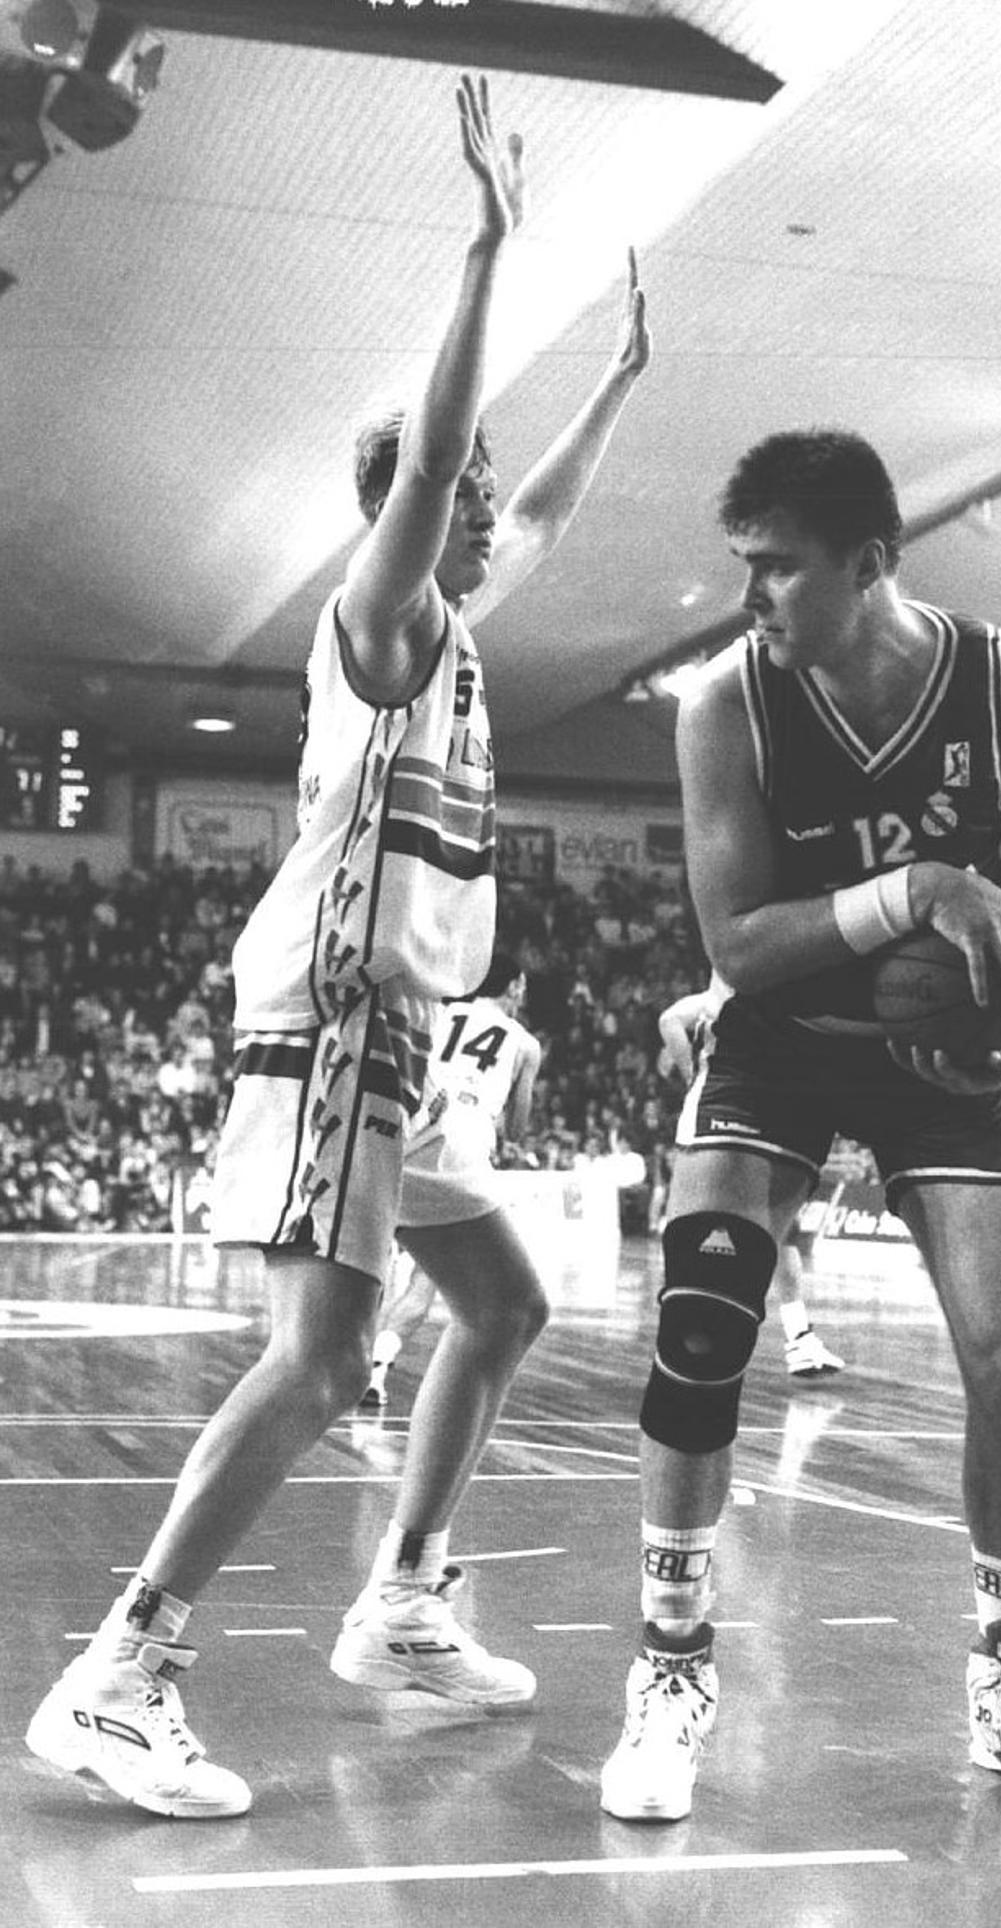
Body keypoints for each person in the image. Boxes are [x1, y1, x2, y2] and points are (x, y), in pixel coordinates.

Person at [27, 73, 651, 1821]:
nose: (488, 512)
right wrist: (488, 251)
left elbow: (535, 518)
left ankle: (404, 1600)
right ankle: (121, 1671)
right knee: (317, 1362)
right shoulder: (377, 616)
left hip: (408, 1039)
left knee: (504, 1299)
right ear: (412, 507)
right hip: (335, 1018)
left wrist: (616, 382)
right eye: (462, 493)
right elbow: (448, 469)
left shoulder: (455, 628)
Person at [599, 428, 1001, 1823]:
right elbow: (739, 945)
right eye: (744, 565)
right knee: (703, 1329)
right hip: (779, 1037)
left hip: (941, 1056)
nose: (749, 595)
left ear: (871, 562)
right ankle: (670, 1669)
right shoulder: (727, 704)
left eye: (777, 567)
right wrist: (921, 888)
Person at [355, 949, 542, 1410]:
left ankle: (353, 1359)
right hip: (459, 1148)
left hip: (405, 1128)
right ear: (515, 986)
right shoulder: (524, 1044)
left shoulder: (442, 1012)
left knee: (368, 1268)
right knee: (435, 1284)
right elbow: (516, 1130)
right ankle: (376, 1368)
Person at [658, 973, 845, 1378]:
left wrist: (688, 1071)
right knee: (726, 1254)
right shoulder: (723, 998)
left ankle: (796, 1337)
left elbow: (669, 1020)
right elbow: (669, 1019)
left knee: (774, 1240)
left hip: (762, 1108)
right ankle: (784, 1338)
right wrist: (691, 1074)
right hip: (730, 1109)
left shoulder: (723, 999)